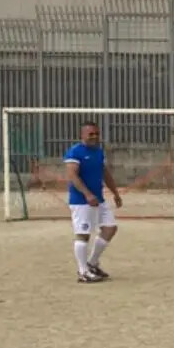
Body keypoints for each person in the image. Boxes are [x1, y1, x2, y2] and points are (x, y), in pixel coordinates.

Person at [63, 121, 122, 283]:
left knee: (110, 228)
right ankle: (83, 272)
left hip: (99, 199)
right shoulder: (74, 152)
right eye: (91, 134)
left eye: (97, 133)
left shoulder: (98, 152)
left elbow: (105, 173)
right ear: (82, 135)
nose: (94, 137)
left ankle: (92, 263)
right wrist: (87, 194)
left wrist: (115, 193)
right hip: (82, 201)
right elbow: (72, 176)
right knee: (83, 235)